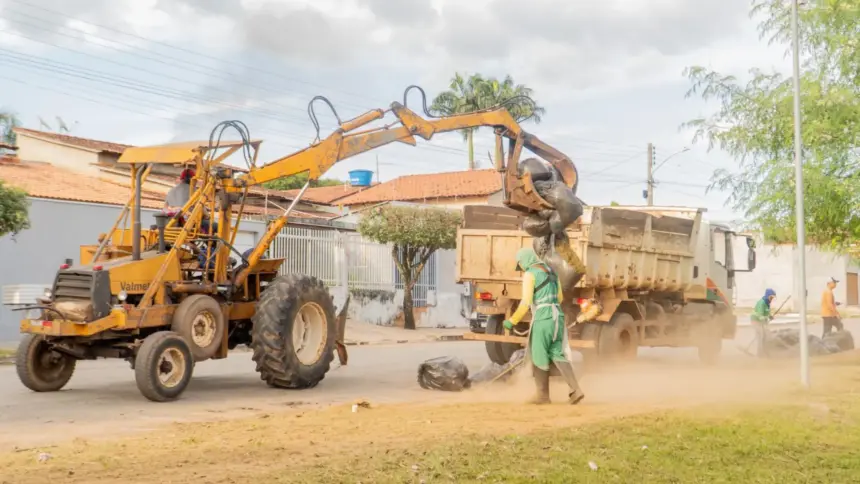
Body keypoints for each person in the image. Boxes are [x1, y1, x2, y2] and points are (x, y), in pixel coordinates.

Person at [503, 248, 584, 405]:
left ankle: (542, 396)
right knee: (556, 353)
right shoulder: (552, 272)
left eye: (521, 265)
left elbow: (526, 302)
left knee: (539, 354)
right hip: (558, 317)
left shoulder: (530, 274)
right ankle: (576, 390)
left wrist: (512, 321)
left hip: (543, 317)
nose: (522, 269)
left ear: (524, 261)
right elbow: (560, 297)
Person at [163, 168, 218, 234]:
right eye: (196, 180)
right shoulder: (195, 192)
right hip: (189, 224)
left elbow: (165, 208)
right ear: (192, 180)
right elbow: (201, 208)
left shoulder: (171, 191)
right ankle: (212, 244)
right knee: (216, 226)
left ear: (181, 179)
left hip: (173, 223)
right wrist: (208, 216)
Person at [750, 288, 776, 357]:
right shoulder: (761, 303)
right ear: (767, 296)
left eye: (773, 297)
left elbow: (766, 313)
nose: (772, 299)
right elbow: (760, 316)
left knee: (765, 335)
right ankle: (759, 354)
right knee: (760, 336)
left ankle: (764, 352)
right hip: (755, 320)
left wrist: (770, 316)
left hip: (761, 321)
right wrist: (767, 318)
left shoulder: (767, 303)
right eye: (771, 297)